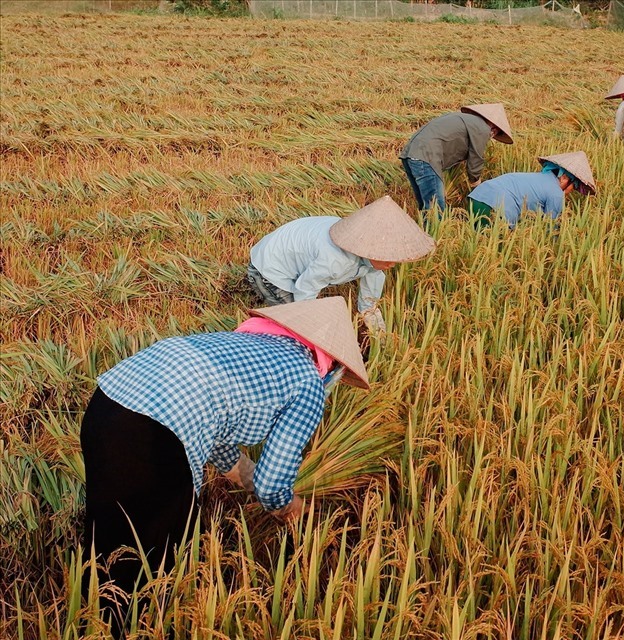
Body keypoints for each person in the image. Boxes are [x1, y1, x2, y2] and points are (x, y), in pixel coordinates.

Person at [81, 296, 368, 637]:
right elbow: (273, 485)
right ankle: (135, 629)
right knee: (156, 560)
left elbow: (216, 431)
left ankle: (90, 622)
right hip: (155, 434)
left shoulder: (242, 344)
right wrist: (292, 509)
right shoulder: (307, 383)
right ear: (332, 365)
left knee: (107, 535)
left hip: (106, 404)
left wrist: (246, 476)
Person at [247, 195, 435, 335]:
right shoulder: (335, 260)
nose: (392, 263)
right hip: (270, 270)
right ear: (369, 250)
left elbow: (369, 302)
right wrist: (311, 330)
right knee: (295, 325)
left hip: (298, 260)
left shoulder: (372, 256)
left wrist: (379, 334)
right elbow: (304, 291)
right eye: (387, 257)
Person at [399, 103, 513, 213]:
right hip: (427, 157)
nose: (492, 134)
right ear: (493, 125)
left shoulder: (464, 120)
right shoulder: (482, 128)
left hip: (410, 154)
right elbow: (476, 160)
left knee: (426, 207)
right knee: (436, 209)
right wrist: (477, 187)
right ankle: (435, 232)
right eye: (496, 132)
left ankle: (423, 231)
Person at [466, 151, 596, 229]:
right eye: (573, 187)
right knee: (495, 250)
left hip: (476, 197)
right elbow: (551, 226)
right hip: (495, 208)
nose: (570, 192)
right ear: (564, 179)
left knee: (478, 243)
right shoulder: (556, 193)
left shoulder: (534, 178)